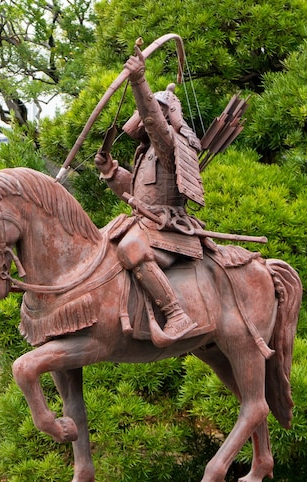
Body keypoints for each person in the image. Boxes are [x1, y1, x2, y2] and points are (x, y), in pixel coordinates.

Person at [94, 48, 205, 342]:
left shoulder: (170, 144)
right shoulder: (146, 151)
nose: (140, 118)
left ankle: (176, 315)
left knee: (130, 248)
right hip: (144, 222)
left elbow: (154, 121)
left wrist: (139, 81)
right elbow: (136, 191)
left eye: (147, 112)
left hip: (169, 226)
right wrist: (111, 173)